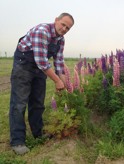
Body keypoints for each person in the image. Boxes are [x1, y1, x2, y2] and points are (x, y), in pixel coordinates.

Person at [9, 13, 74, 155]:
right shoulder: (42, 31)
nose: (64, 29)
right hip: (24, 65)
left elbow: (58, 62)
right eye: (63, 24)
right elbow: (42, 61)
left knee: (38, 102)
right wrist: (56, 81)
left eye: (68, 28)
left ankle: (38, 133)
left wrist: (64, 83)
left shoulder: (60, 40)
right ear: (56, 20)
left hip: (40, 68)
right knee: (19, 103)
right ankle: (18, 140)